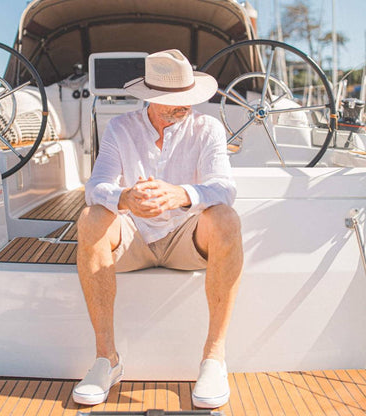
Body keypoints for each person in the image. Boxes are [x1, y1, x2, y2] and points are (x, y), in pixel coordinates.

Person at [73, 49, 243, 408]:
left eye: (187, 100)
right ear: (149, 98)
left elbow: (224, 188)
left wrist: (181, 194)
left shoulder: (208, 127)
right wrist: (126, 198)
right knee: (91, 218)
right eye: (171, 101)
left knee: (226, 218)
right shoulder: (120, 127)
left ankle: (214, 358)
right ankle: (107, 360)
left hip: (186, 239)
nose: (182, 107)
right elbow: (96, 187)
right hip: (134, 237)